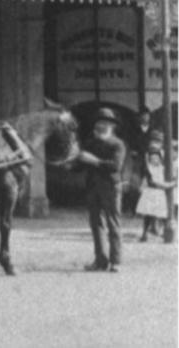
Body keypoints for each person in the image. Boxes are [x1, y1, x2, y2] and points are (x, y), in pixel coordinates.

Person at [75, 106, 127, 272]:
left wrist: (93, 161)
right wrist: (71, 161)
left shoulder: (118, 144)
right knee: (96, 224)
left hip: (110, 187)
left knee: (113, 223)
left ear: (112, 126)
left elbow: (115, 167)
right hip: (92, 187)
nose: (101, 126)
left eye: (105, 123)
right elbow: (80, 166)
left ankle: (116, 261)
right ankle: (100, 260)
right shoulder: (90, 144)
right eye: (99, 123)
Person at [137, 129, 176, 242]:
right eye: (154, 140)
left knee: (162, 211)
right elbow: (150, 175)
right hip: (153, 188)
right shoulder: (150, 155)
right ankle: (146, 233)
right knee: (149, 212)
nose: (155, 143)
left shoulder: (163, 153)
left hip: (159, 188)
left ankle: (164, 232)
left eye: (158, 141)